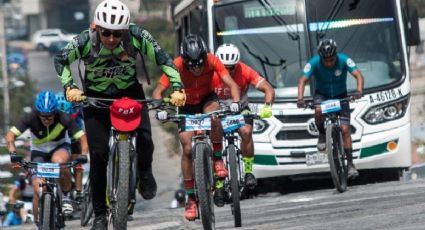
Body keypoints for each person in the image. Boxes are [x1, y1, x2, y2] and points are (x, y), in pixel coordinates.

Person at [53, 0, 185, 228]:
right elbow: (60, 60)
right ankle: (101, 215)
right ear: (97, 29)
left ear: (125, 30)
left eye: (117, 34)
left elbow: (165, 60)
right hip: (95, 98)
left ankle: (145, 172)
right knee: (98, 155)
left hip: (130, 94)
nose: (112, 39)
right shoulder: (84, 41)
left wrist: (178, 86)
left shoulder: (137, 36)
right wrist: (70, 87)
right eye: (106, 33)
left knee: (145, 138)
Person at [153, 34, 241, 220]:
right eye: (192, 66)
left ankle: (217, 159)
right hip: (186, 104)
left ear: (205, 57)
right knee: (186, 147)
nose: (197, 69)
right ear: (184, 61)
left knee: (215, 116)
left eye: (200, 64)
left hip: (206, 99)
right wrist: (159, 108)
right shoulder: (175, 64)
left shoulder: (212, 60)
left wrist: (235, 102)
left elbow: (231, 83)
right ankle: (191, 198)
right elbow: (158, 91)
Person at [5, 91, 89, 229]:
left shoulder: (64, 117)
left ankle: (67, 196)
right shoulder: (30, 117)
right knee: (39, 190)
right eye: (43, 116)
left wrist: (83, 155)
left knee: (60, 163)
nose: (46, 119)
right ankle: (39, 222)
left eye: (50, 116)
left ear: (55, 112)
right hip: (39, 152)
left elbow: (82, 138)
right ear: (37, 112)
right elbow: (10, 136)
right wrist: (13, 153)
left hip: (60, 147)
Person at [297, 39, 364, 178]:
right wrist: (300, 98)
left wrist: (359, 90)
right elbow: (302, 80)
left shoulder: (344, 60)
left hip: (341, 95)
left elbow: (358, 75)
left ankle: (350, 164)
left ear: (336, 55)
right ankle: (322, 134)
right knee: (318, 110)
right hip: (323, 95)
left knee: (345, 130)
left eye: (331, 59)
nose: (329, 63)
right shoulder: (314, 62)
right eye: (325, 60)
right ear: (321, 57)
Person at [213, 43, 275, 189]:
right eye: (223, 67)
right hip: (217, 109)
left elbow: (268, 89)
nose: (227, 71)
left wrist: (267, 107)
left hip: (240, 108)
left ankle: (248, 171)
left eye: (231, 67)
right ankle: (216, 175)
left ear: (237, 64)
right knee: (212, 138)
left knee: (246, 132)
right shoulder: (210, 73)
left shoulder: (245, 70)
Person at [56, 92, 85, 200]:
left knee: (77, 163)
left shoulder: (77, 108)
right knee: (62, 165)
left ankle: (78, 191)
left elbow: (87, 120)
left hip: (74, 137)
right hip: (60, 140)